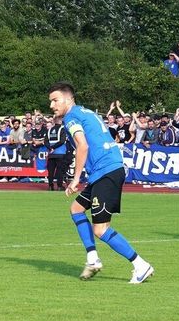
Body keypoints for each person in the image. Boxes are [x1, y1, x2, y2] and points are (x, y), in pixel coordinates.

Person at [48, 82, 153, 283]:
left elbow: (83, 146)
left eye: (55, 100)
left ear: (68, 99)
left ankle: (140, 265)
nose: (52, 105)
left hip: (106, 170)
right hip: (104, 170)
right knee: (76, 209)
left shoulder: (71, 117)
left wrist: (76, 178)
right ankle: (92, 258)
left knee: (100, 229)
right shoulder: (85, 112)